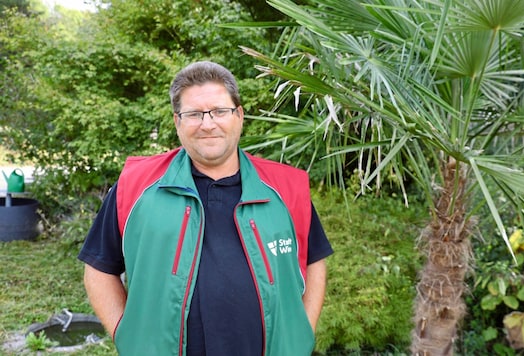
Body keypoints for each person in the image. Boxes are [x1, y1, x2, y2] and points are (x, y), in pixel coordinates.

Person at [78, 61, 334, 356]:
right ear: (178, 121)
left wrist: (301, 334)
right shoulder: (136, 186)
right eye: (194, 114)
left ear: (239, 115)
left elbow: (314, 261)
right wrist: (129, 338)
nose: (208, 123)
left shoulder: (285, 187)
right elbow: (99, 268)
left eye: (219, 111)